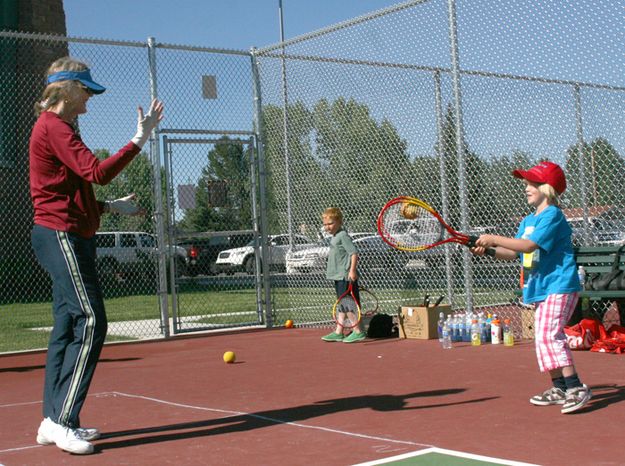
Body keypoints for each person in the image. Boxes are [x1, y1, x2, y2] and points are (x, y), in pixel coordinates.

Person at [29, 57, 164, 454]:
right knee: (91, 320)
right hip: (62, 237)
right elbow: (97, 172)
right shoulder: (54, 127)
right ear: (67, 89)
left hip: (66, 233)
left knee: (67, 327)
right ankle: (62, 420)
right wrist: (139, 139)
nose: (90, 96)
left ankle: (51, 420)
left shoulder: (61, 127)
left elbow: (68, 188)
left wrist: (108, 208)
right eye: (85, 89)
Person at [470, 161, 591, 414]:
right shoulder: (528, 221)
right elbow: (512, 253)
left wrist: (492, 237)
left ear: (547, 188)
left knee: (550, 335)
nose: (526, 187)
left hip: (559, 285)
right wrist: (488, 251)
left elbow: (527, 246)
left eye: (532, 183)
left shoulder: (553, 215)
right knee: (542, 338)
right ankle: (559, 387)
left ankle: (576, 387)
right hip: (540, 287)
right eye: (526, 183)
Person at [320, 207, 366, 343]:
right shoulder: (335, 237)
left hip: (344, 276)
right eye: (325, 224)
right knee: (342, 304)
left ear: (339, 222)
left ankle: (357, 331)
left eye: (330, 223)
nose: (327, 227)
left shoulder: (342, 235)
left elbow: (354, 253)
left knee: (347, 303)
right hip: (338, 276)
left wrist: (351, 271)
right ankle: (339, 332)